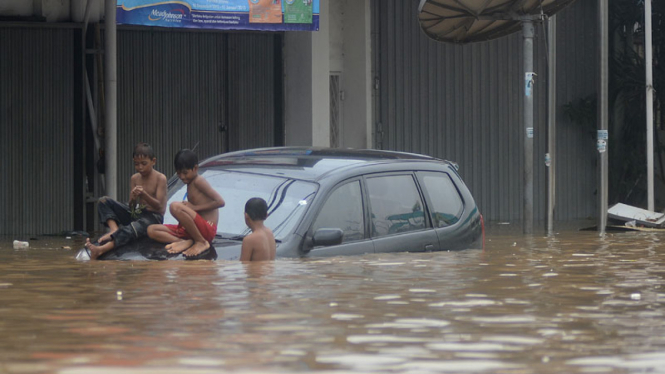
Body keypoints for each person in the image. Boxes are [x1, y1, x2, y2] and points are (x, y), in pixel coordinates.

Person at [85, 143, 167, 260]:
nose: (140, 168)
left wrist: (144, 194)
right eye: (136, 164)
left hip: (153, 217)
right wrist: (133, 199)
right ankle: (114, 229)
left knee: (132, 228)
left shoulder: (160, 178)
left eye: (144, 164)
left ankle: (102, 249)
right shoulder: (135, 178)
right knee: (103, 201)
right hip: (138, 212)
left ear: (153, 161)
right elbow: (132, 208)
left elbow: (160, 207)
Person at [147, 149, 225, 257]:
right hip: (192, 231)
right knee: (151, 230)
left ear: (195, 168)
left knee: (175, 207)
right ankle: (182, 241)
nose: (182, 177)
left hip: (206, 230)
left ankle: (201, 242)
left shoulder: (199, 181)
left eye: (185, 173)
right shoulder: (190, 182)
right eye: (179, 173)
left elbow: (220, 202)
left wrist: (194, 208)